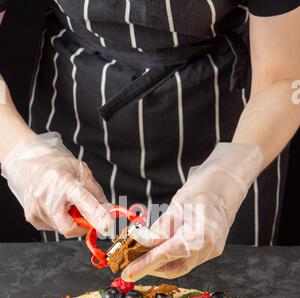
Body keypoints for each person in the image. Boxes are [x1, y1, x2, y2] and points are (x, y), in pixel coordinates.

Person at [0, 1, 300, 281]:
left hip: (237, 127)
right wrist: (24, 157)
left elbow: (284, 76)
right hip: (79, 121)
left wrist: (228, 178)